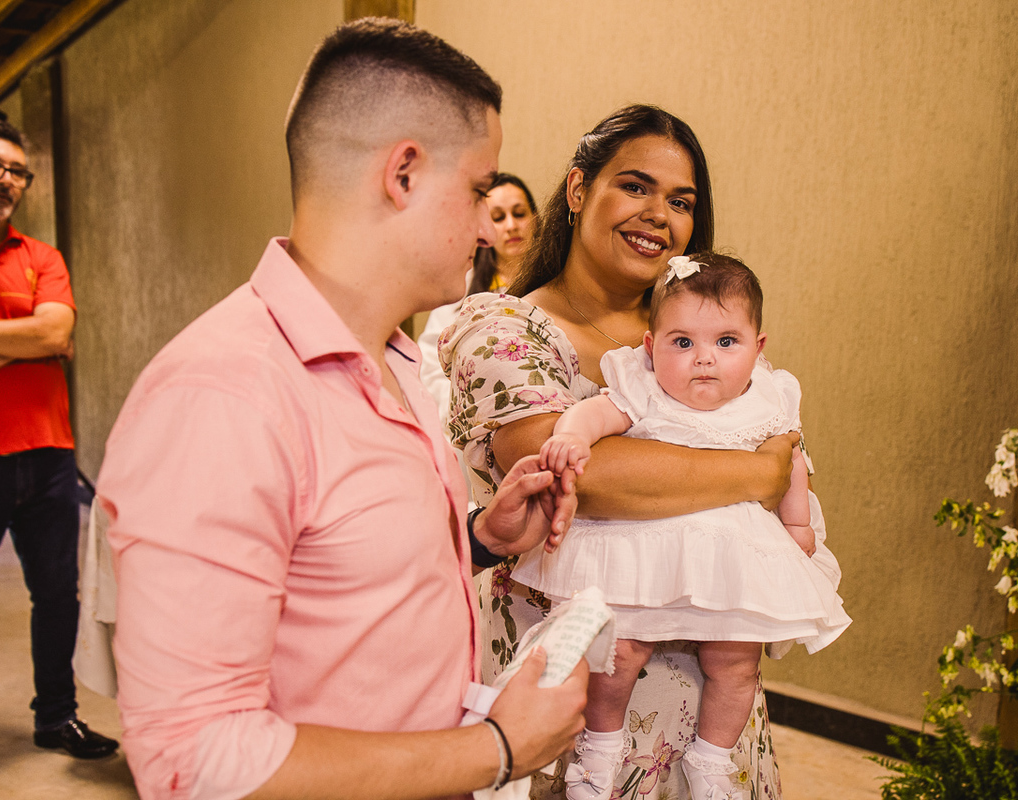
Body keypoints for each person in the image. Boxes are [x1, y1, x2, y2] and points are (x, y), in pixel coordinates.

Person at [94, 18, 586, 800]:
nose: (489, 225)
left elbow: (341, 574)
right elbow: (194, 759)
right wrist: (496, 749)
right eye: (479, 190)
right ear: (403, 174)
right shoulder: (222, 396)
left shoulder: (394, 355)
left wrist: (477, 539)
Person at [439, 105, 798, 800]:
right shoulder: (506, 326)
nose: (658, 214)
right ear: (579, 190)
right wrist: (757, 473)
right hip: (571, 697)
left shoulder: (700, 335)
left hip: (712, 705)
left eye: (681, 202)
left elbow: (779, 435)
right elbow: (575, 471)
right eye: (635, 186)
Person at [529, 252, 851, 800]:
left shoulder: (767, 399)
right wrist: (574, 435)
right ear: (651, 346)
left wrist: (798, 524)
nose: (704, 358)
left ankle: (712, 761)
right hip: (643, 546)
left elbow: (792, 462)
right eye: (682, 342)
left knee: (736, 660)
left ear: (758, 348)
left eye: (726, 342)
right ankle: (597, 754)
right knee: (617, 653)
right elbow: (599, 414)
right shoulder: (645, 388)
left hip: (732, 558)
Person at [0, 119, 117, 799]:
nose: (5, 180)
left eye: (16, 171)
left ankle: (56, 717)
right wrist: (30, 343)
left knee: (57, 597)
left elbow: (57, 332)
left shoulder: (42, 256)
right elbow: (34, 339)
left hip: (48, 455)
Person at [418, 173, 538, 419]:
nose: (511, 225)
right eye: (498, 218)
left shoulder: (558, 282)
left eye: (519, 214)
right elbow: (430, 367)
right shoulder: (458, 288)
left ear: (536, 219)